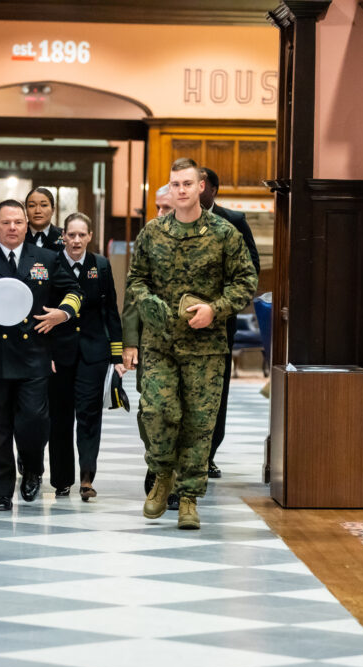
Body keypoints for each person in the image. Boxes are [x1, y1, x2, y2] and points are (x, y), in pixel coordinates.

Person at [126, 158, 257, 530]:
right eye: (174, 185)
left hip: (205, 346)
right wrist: (147, 303)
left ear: (201, 187)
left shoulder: (224, 233)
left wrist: (215, 309)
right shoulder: (153, 233)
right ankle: (161, 474)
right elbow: (136, 280)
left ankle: (188, 499)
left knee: (200, 424)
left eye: (187, 184)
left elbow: (246, 281)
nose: (180, 190)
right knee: (158, 412)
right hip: (160, 344)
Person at [0, 199, 83, 511]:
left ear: (26, 226)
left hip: (33, 354)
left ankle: (33, 468)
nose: (13, 227)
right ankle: (1, 492)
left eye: (18, 222)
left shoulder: (47, 259)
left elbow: (74, 292)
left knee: (34, 421)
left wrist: (62, 314)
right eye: (6, 222)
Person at [48, 212, 125, 502]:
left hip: (93, 352)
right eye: (71, 235)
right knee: (61, 417)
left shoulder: (101, 266)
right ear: (63, 237)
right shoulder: (53, 263)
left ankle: (86, 478)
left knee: (90, 416)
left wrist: (116, 356)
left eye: (82, 235)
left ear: (90, 236)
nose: (76, 240)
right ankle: (62, 479)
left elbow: (111, 312)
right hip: (60, 353)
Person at [199, 167, 260, 479]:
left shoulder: (233, 221)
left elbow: (251, 268)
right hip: (183, 323)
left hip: (220, 323)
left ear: (213, 189)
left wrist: (223, 301)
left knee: (216, 391)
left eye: (200, 183)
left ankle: (208, 453)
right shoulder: (176, 222)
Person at [123, 186, 172, 497]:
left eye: (165, 208)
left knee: (183, 414)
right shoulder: (149, 238)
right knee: (151, 410)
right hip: (152, 344)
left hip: (189, 345)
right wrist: (130, 344)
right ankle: (156, 463)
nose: (159, 214)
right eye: (157, 207)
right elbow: (133, 295)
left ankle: (174, 477)